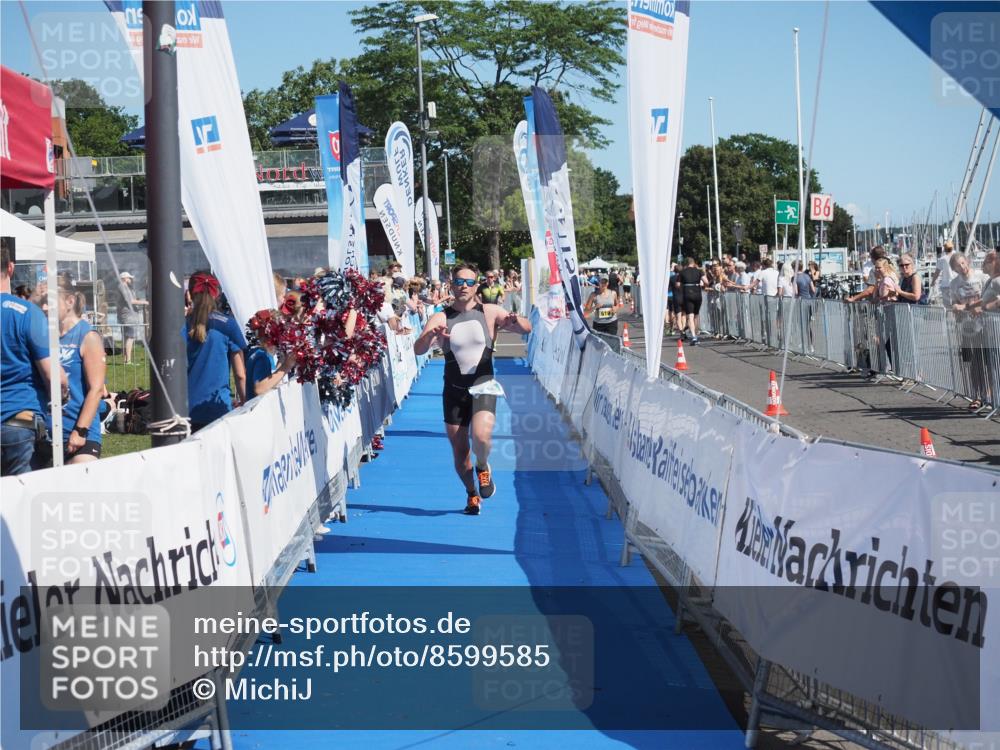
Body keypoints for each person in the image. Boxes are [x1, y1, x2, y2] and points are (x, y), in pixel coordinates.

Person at [413, 263, 531, 516]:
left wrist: (514, 320)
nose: (464, 287)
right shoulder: (441, 316)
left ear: (477, 285)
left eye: (469, 282)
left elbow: (526, 329)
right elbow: (418, 349)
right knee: (459, 453)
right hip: (454, 390)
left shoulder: (489, 311)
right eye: (459, 282)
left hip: (484, 385)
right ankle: (471, 493)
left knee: (481, 437)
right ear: (452, 285)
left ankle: (483, 465)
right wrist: (431, 336)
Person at [1, 240, 67, 475]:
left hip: (16, 423)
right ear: (10, 268)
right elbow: (55, 377)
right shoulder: (28, 313)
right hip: (18, 420)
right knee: (19, 505)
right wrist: (64, 391)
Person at [48, 276, 106, 464]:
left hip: (80, 434)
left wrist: (80, 430)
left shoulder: (87, 336)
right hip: (46, 433)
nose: (45, 308)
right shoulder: (44, 335)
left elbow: (96, 389)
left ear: (70, 301)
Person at [184, 272, 247, 432]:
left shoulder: (183, 325)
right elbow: (240, 375)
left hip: (186, 409)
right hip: (218, 407)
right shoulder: (228, 325)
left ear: (190, 294)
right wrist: (245, 401)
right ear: (216, 293)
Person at [246, 313, 297, 397]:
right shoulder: (262, 357)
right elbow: (259, 389)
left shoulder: (255, 352)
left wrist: (282, 361)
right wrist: (287, 366)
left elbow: (268, 380)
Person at [117, 271, 148, 365]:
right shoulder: (123, 286)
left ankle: (126, 360)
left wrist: (141, 301)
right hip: (128, 316)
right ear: (124, 279)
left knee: (127, 338)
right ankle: (128, 361)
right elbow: (130, 301)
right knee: (130, 337)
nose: (131, 279)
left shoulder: (125, 287)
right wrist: (146, 302)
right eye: (129, 278)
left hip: (127, 316)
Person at [679, 257, 703, 344]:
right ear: (694, 263)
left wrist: (683, 285)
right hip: (697, 294)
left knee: (690, 316)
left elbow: (678, 284)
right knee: (696, 315)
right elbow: (706, 281)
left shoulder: (682, 272)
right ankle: (696, 335)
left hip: (687, 294)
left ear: (686, 264)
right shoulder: (699, 271)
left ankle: (694, 337)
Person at [932, 240, 956, 306]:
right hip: (957, 284)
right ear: (952, 248)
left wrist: (933, 281)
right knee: (957, 304)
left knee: (948, 306)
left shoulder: (942, 259)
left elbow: (937, 272)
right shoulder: (957, 256)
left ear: (944, 249)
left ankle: (949, 316)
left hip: (946, 285)